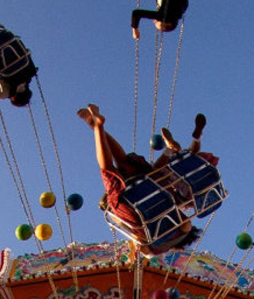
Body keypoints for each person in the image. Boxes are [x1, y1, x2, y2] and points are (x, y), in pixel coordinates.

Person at [77, 104, 203, 252]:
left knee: (122, 160)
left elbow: (178, 212)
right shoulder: (155, 249)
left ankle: (96, 126)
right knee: (107, 169)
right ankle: (97, 126)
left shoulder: (184, 227)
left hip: (149, 188)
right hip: (132, 206)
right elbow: (136, 238)